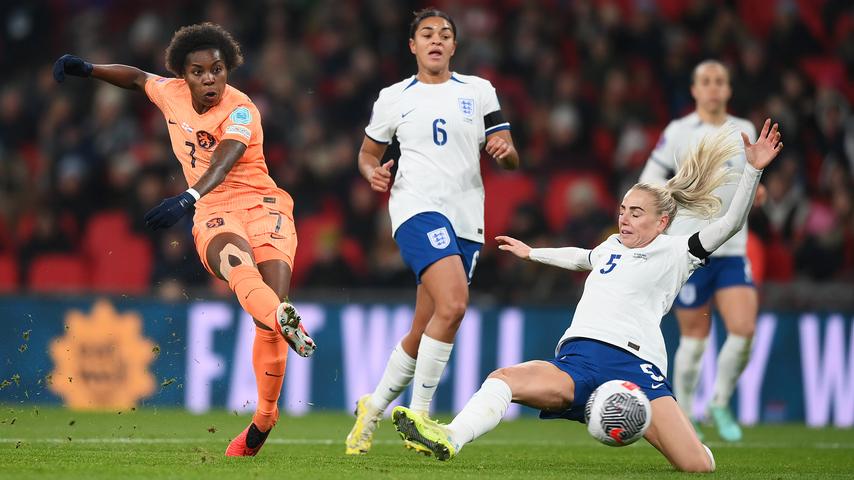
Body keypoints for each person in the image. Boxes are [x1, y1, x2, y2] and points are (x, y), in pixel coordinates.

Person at [392, 119, 783, 472]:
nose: (624, 219)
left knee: (698, 466)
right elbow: (584, 258)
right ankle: (449, 438)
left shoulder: (680, 252)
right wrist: (532, 252)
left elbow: (731, 223)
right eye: (623, 210)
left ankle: (672, 433)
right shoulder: (612, 245)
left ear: (662, 221)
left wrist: (753, 169)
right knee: (503, 379)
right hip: (578, 360)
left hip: (637, 370)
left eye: (636, 212)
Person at [53, 22, 316, 457]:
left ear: (227, 70)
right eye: (199, 72)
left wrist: (188, 195)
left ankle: (265, 416)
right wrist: (89, 69)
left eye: (217, 69)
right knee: (238, 268)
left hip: (263, 203)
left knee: (265, 316)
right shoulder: (170, 92)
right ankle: (285, 321)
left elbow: (227, 156)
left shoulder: (242, 108)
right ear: (183, 75)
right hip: (217, 212)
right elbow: (138, 79)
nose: (210, 78)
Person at [345, 8, 519, 455]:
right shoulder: (394, 97)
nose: (436, 40)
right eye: (427, 34)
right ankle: (420, 415)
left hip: (467, 219)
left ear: (454, 46)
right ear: (413, 46)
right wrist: (372, 174)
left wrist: (504, 151)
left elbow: (511, 153)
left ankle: (374, 407)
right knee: (456, 303)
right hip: (417, 209)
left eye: (444, 34)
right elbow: (367, 154)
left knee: (426, 325)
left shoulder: (479, 92)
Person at [638, 60, 759, 441]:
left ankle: (720, 401)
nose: (713, 88)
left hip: (734, 246)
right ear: (694, 90)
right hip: (691, 248)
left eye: (719, 81)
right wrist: (677, 198)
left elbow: (751, 177)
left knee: (743, 330)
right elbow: (648, 182)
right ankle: (686, 414)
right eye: (705, 82)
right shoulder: (678, 131)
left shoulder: (745, 130)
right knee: (694, 338)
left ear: (728, 89)